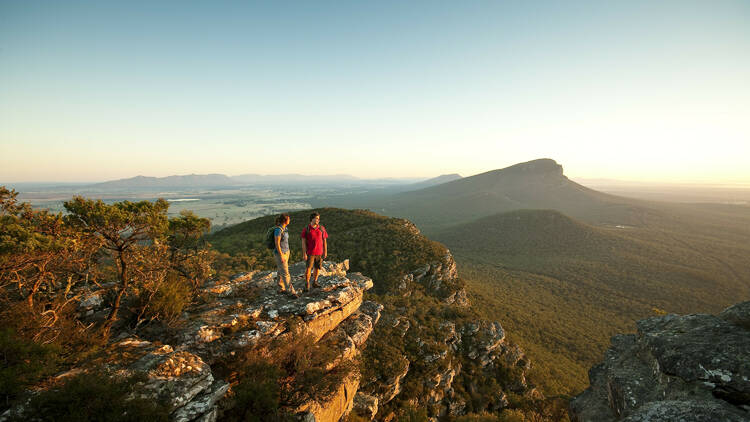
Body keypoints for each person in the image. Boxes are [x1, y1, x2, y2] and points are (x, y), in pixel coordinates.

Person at [301, 212, 328, 292]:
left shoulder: (321, 228)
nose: (318, 220)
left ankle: (315, 282)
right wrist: (304, 254)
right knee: (308, 268)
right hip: (310, 252)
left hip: (319, 252)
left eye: (318, 219)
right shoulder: (306, 229)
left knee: (317, 268)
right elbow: (303, 242)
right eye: (316, 218)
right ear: (311, 219)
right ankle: (307, 283)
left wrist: (325, 251)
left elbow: (324, 241)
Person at [273, 213, 297, 296]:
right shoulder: (278, 230)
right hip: (281, 253)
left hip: (286, 252)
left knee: (281, 270)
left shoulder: (285, 228)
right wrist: (281, 255)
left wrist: (287, 252)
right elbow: (277, 243)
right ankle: (291, 292)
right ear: (285, 220)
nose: (290, 220)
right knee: (285, 272)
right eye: (289, 219)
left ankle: (280, 288)